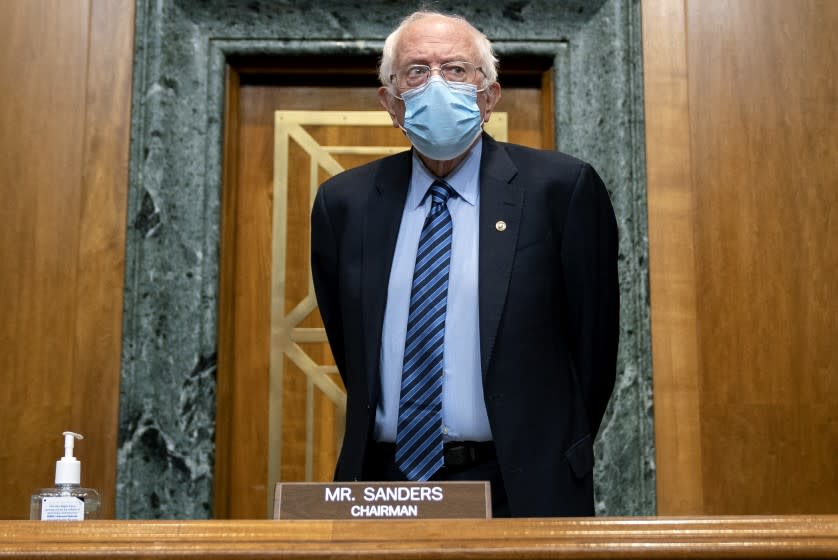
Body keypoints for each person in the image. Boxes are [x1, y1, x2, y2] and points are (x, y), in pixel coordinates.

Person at [310, 10, 619, 517]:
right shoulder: (344, 204)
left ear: (489, 96)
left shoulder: (561, 190)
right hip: (385, 483)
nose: (436, 83)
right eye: (415, 71)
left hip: (521, 482)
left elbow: (593, 350)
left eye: (455, 69)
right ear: (391, 103)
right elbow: (351, 344)